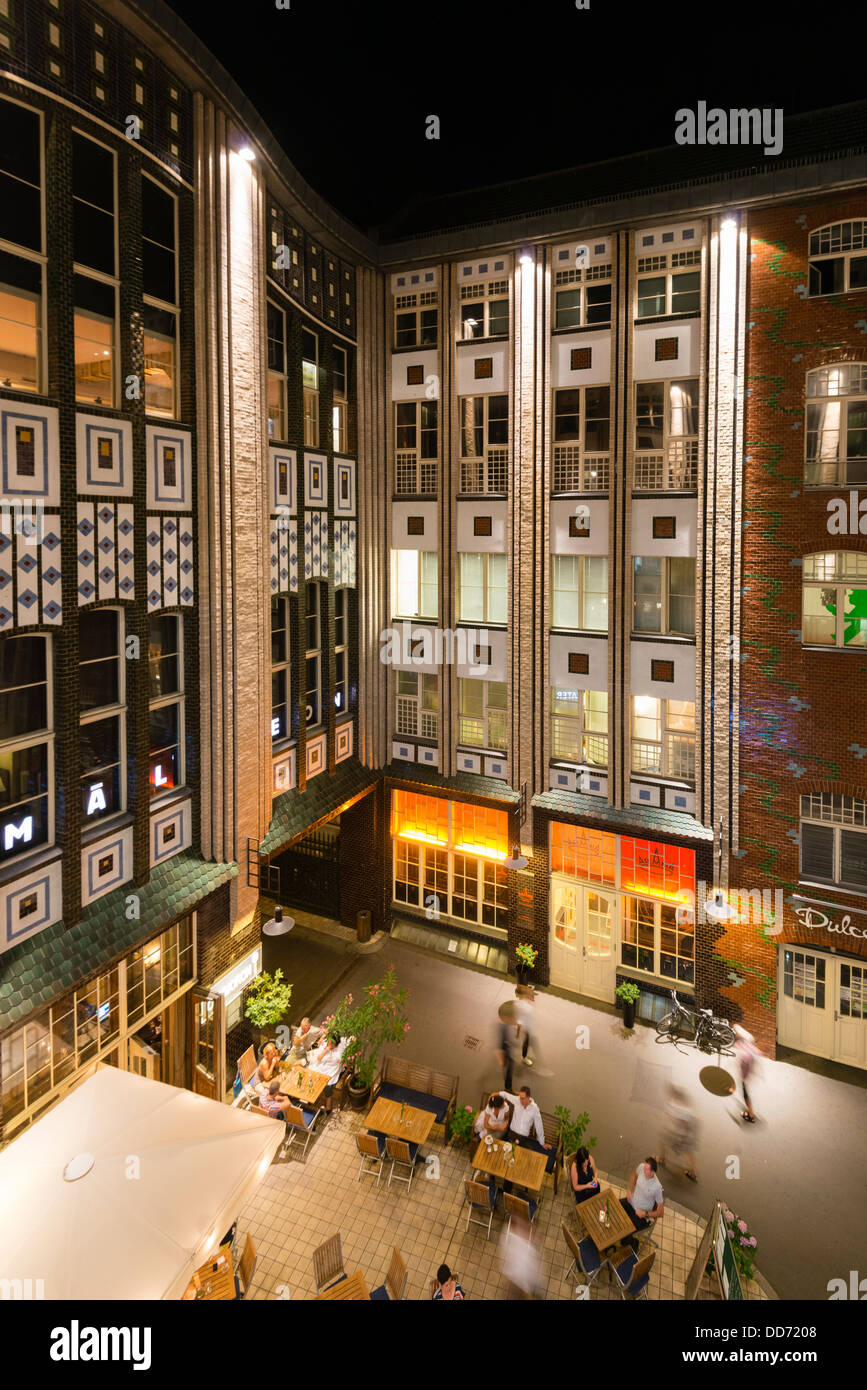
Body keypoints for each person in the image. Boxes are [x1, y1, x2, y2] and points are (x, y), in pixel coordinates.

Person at [501, 1086, 556, 1173]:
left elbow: (539, 1125)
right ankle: (500, 1177)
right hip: (511, 1134)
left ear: (528, 1097)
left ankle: (515, 1177)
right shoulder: (517, 1100)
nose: (520, 1100)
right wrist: (493, 1096)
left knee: (520, 1161)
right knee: (505, 1158)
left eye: (523, 1098)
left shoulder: (534, 1109)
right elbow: (504, 1094)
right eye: (520, 1097)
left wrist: (542, 1143)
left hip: (523, 1139)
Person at [659, 1083, 699, 1181]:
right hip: (685, 1134)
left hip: (679, 1134)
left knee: (664, 1142)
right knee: (688, 1152)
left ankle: (662, 1159)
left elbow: (674, 1117)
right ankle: (694, 1172)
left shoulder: (674, 1106)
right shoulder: (684, 1106)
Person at [499, 1214, 542, 1300]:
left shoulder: (507, 1236)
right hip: (521, 1274)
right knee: (526, 1290)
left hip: (515, 1272)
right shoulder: (526, 1249)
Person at [620, 1156, 664, 1233]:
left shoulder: (657, 1187)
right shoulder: (641, 1167)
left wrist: (645, 1214)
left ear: (652, 1172)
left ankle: (634, 1243)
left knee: (624, 1229)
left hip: (640, 1215)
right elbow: (633, 1176)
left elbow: (661, 1213)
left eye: (646, 1169)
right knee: (614, 1208)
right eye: (644, 1167)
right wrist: (629, 1190)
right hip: (631, 1203)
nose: (643, 1170)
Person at [310, 1031, 348, 1112]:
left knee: (327, 1085)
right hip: (321, 1066)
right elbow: (319, 1058)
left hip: (332, 1069)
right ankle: (311, 1100)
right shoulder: (325, 1045)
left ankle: (328, 1105)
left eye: (332, 1044)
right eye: (329, 1042)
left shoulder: (339, 1051)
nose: (329, 1045)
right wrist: (326, 1049)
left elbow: (351, 1039)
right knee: (312, 1077)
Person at [733, 1025, 762, 1123]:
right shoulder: (746, 1045)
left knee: (745, 1094)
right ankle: (750, 1112)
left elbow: (746, 1064)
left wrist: (744, 1076)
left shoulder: (745, 1052)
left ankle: (750, 1115)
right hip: (746, 1074)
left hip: (744, 1076)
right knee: (745, 1093)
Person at [496, 1002, 521, 1092]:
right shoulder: (502, 1027)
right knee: (508, 1067)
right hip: (506, 1049)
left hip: (508, 1047)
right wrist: (501, 1059)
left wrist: (518, 1033)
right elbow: (500, 1045)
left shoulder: (507, 1023)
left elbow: (518, 1023)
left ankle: (508, 1087)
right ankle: (508, 1088)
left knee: (510, 1065)